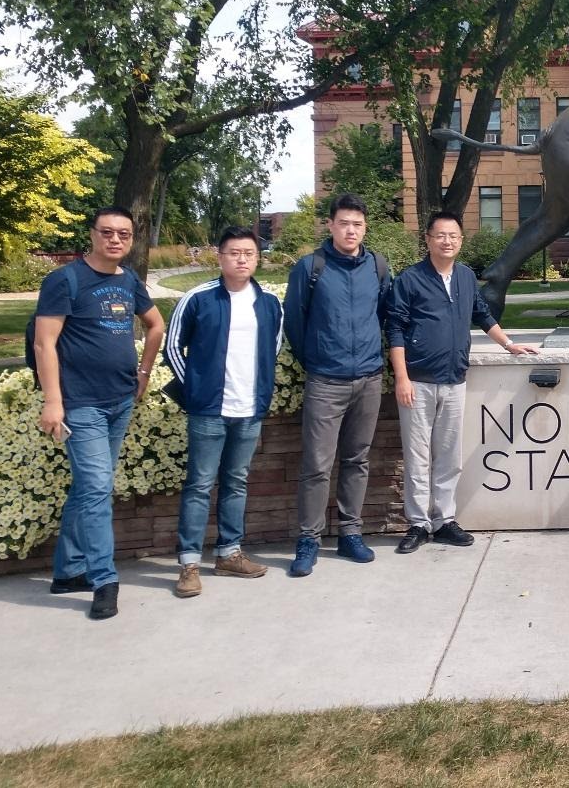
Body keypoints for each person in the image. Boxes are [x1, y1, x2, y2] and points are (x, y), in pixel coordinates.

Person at [33, 206, 166, 620]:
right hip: (81, 403)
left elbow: (155, 325)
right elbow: (44, 344)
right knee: (96, 491)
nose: (115, 240)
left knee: (88, 489)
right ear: (92, 234)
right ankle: (104, 579)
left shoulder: (129, 280)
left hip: (119, 401)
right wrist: (53, 400)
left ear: (131, 238)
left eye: (123, 234)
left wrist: (144, 372)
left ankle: (67, 571)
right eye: (107, 232)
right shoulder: (64, 280)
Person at [388, 212, 539, 553]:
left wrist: (509, 344)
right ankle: (417, 524)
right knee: (417, 456)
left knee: (449, 455)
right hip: (418, 381)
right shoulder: (410, 280)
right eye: (440, 235)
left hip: (454, 379)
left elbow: (482, 314)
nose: (447, 241)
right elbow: (395, 328)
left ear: (460, 240)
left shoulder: (466, 277)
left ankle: (444, 520)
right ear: (427, 239)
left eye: (453, 235)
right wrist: (402, 377)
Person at [165, 226, 284, 598]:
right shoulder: (198, 298)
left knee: (236, 482)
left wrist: (260, 390)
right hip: (208, 411)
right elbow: (172, 348)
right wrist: (197, 393)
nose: (242, 259)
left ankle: (229, 553)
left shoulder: (268, 303)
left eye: (249, 253)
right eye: (234, 253)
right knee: (199, 485)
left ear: (257, 258)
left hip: (249, 411)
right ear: (220, 256)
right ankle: (188, 564)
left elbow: (273, 349)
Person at [282, 193, 392, 576]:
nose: (351, 230)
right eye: (344, 223)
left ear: (365, 227)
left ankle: (350, 534)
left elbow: (385, 314)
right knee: (316, 464)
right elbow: (294, 322)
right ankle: (309, 540)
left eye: (357, 224)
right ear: (330, 225)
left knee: (357, 460)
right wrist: (315, 358)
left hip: (368, 379)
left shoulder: (377, 265)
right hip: (326, 381)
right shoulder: (311, 267)